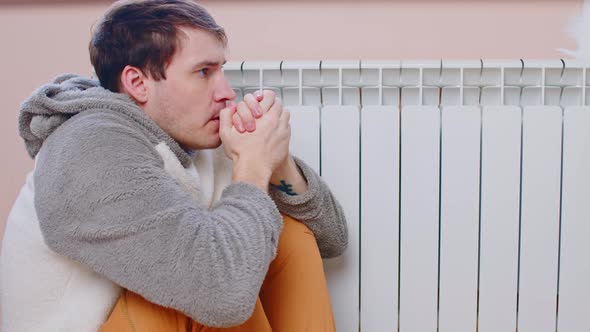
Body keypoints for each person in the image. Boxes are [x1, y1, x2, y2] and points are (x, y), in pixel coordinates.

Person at [0, 0, 348, 331]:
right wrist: (253, 166)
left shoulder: (190, 130)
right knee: (208, 282)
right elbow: (221, 293)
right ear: (138, 83)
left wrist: (276, 157)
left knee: (289, 237)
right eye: (203, 72)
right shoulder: (90, 149)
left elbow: (330, 239)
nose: (227, 92)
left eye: (220, 70)